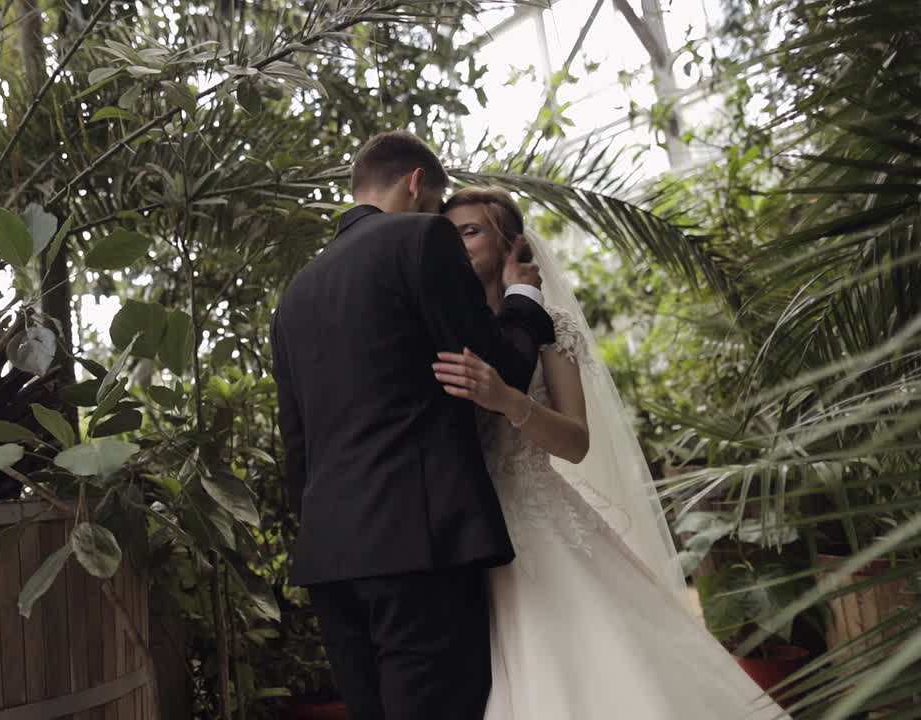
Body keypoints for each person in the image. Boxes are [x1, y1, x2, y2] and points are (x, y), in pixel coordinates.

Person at [434, 186, 792, 719]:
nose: (458, 244)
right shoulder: (446, 324)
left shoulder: (553, 325)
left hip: (538, 527)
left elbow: (575, 442)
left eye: (471, 230)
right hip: (463, 530)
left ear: (512, 244)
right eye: (450, 233)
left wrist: (508, 400)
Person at [269, 131, 557, 720]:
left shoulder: (295, 295)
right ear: (417, 184)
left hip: (330, 557)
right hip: (418, 545)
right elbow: (497, 367)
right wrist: (524, 301)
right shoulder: (422, 237)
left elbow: (296, 444)